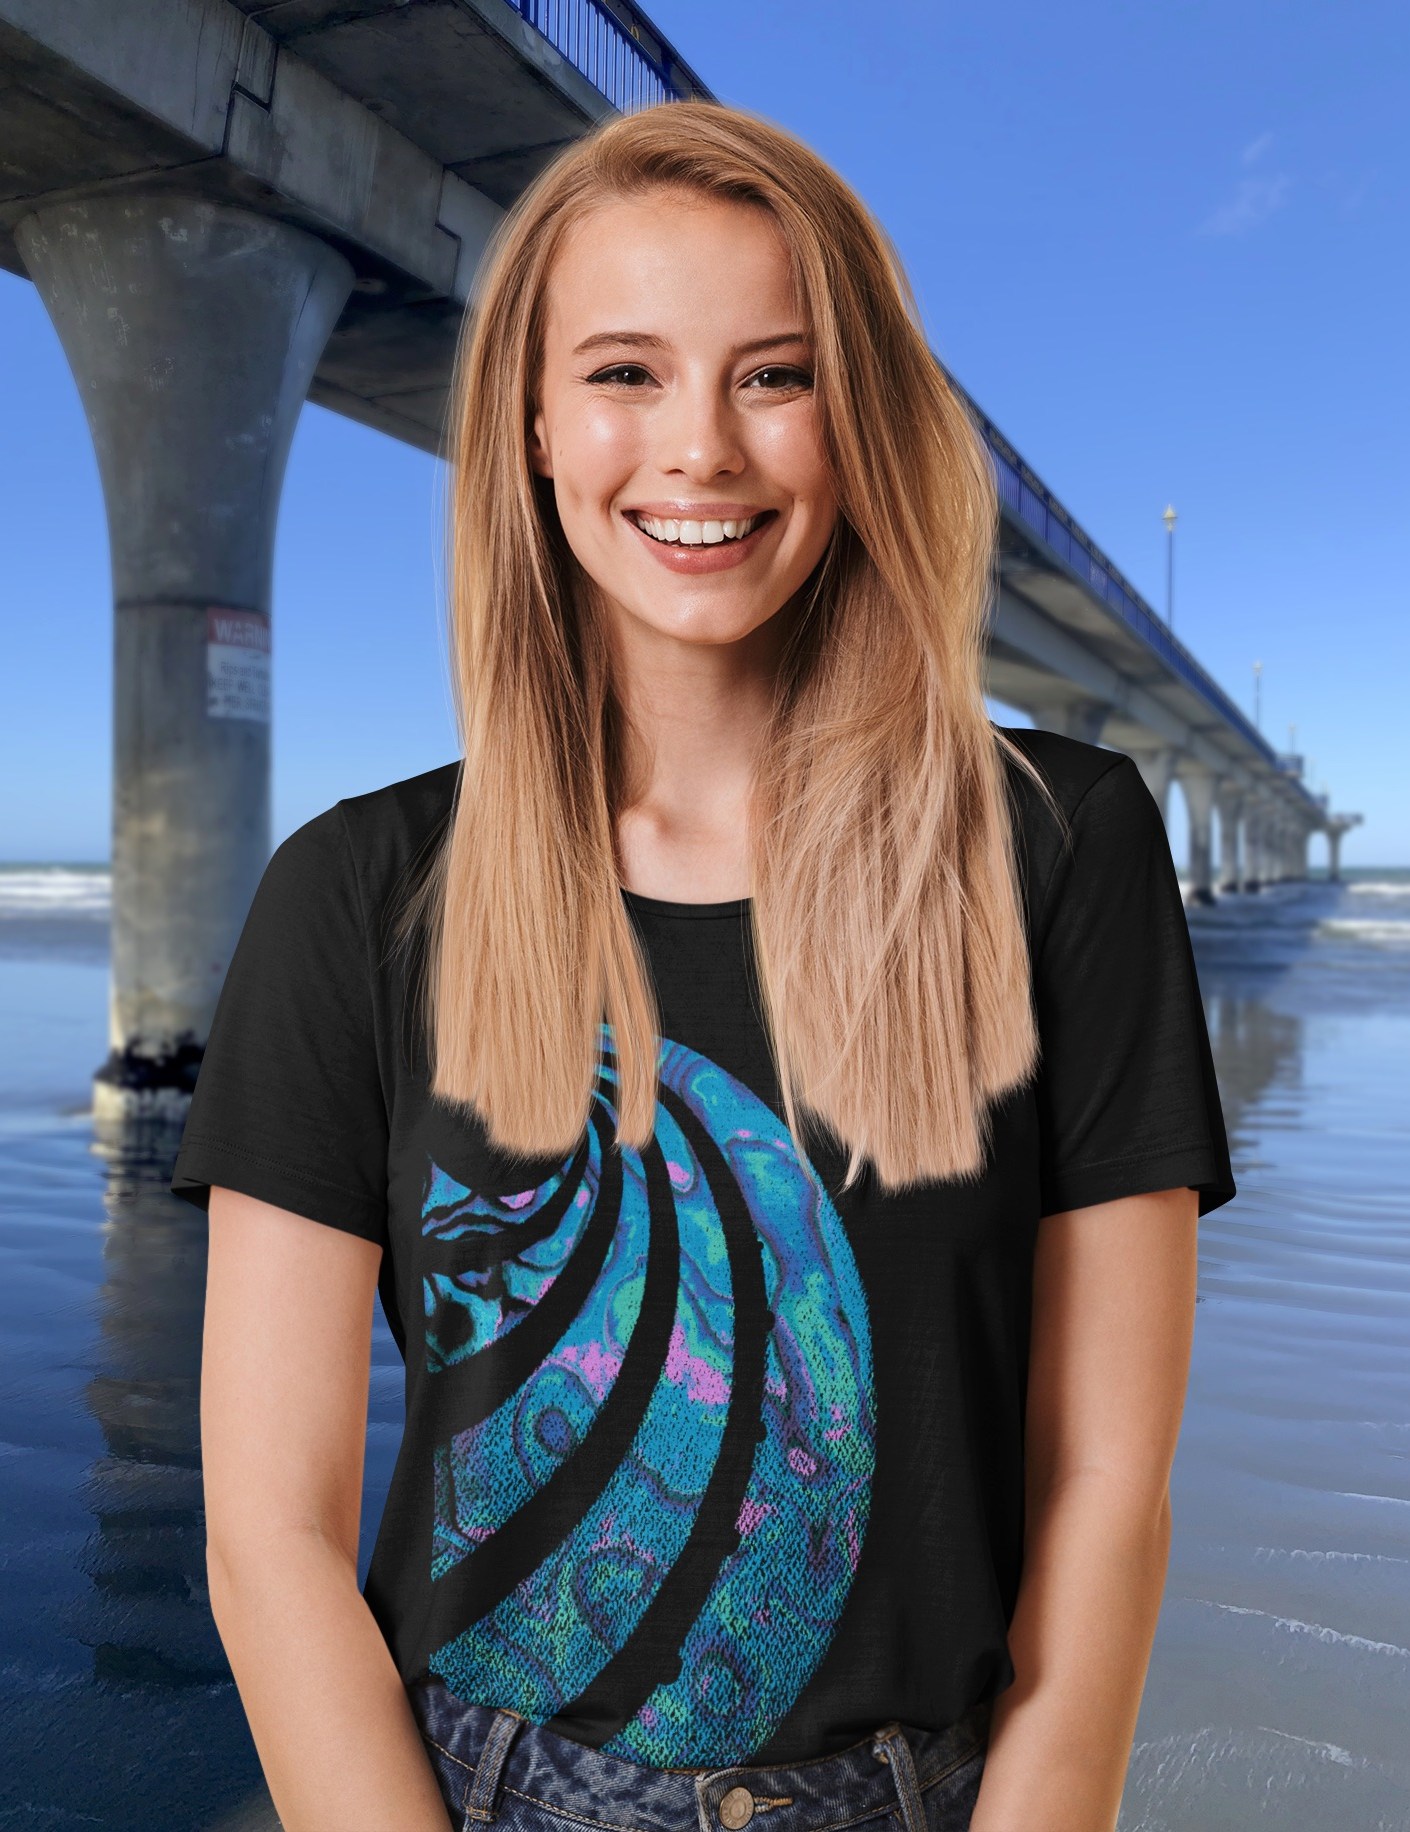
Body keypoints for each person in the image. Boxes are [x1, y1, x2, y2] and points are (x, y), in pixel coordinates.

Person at [170, 99, 1236, 1832]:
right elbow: (268, 1533)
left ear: (860, 418)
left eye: (773, 374)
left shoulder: (1060, 844)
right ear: (529, 420)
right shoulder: (357, 894)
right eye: (622, 373)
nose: (700, 451)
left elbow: (1105, 1483)